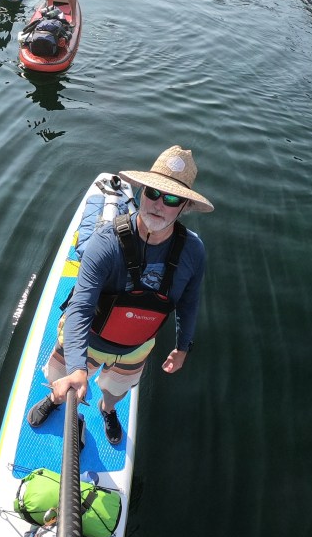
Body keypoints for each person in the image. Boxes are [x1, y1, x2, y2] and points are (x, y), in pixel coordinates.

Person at [26, 145, 213, 446]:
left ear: (185, 207)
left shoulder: (194, 251)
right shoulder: (105, 243)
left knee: (115, 391)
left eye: (171, 199)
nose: (158, 204)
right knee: (59, 378)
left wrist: (183, 347)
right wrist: (77, 368)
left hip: (136, 348)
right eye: (153, 192)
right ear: (141, 192)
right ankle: (55, 399)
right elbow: (80, 308)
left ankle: (108, 410)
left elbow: (189, 303)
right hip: (87, 338)